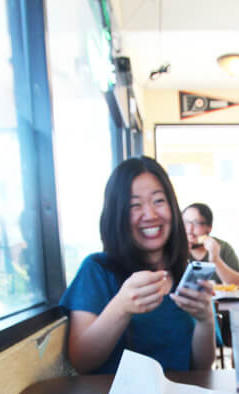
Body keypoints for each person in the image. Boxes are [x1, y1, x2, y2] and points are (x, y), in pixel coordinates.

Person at [60, 157, 217, 375]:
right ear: (117, 215)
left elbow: (201, 368)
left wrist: (206, 319)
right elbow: (82, 361)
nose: (150, 215)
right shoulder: (97, 270)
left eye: (159, 201)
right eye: (134, 205)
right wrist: (122, 306)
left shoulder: (186, 273)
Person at [182, 203, 239, 291]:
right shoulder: (174, 248)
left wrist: (216, 259)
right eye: (185, 222)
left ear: (209, 228)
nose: (189, 229)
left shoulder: (223, 248)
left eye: (197, 223)